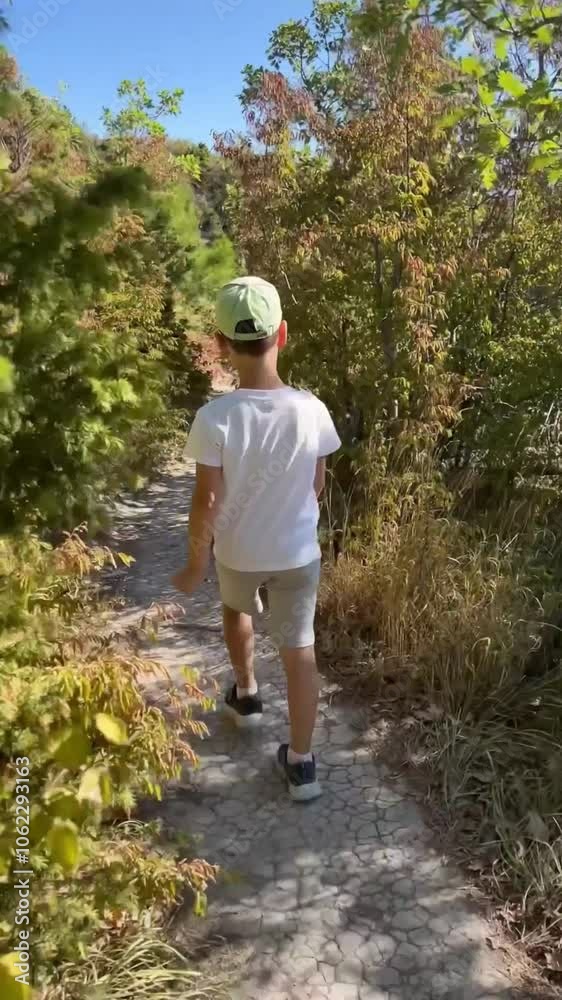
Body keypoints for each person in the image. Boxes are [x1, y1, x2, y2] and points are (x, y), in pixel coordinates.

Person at [172, 276, 341, 801]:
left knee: (235, 608)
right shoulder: (311, 408)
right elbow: (317, 483)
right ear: (282, 334)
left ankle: (246, 695)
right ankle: (302, 764)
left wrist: (196, 562)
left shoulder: (213, 418)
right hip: (296, 555)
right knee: (300, 648)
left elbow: (207, 499)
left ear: (221, 344)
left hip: (239, 553)